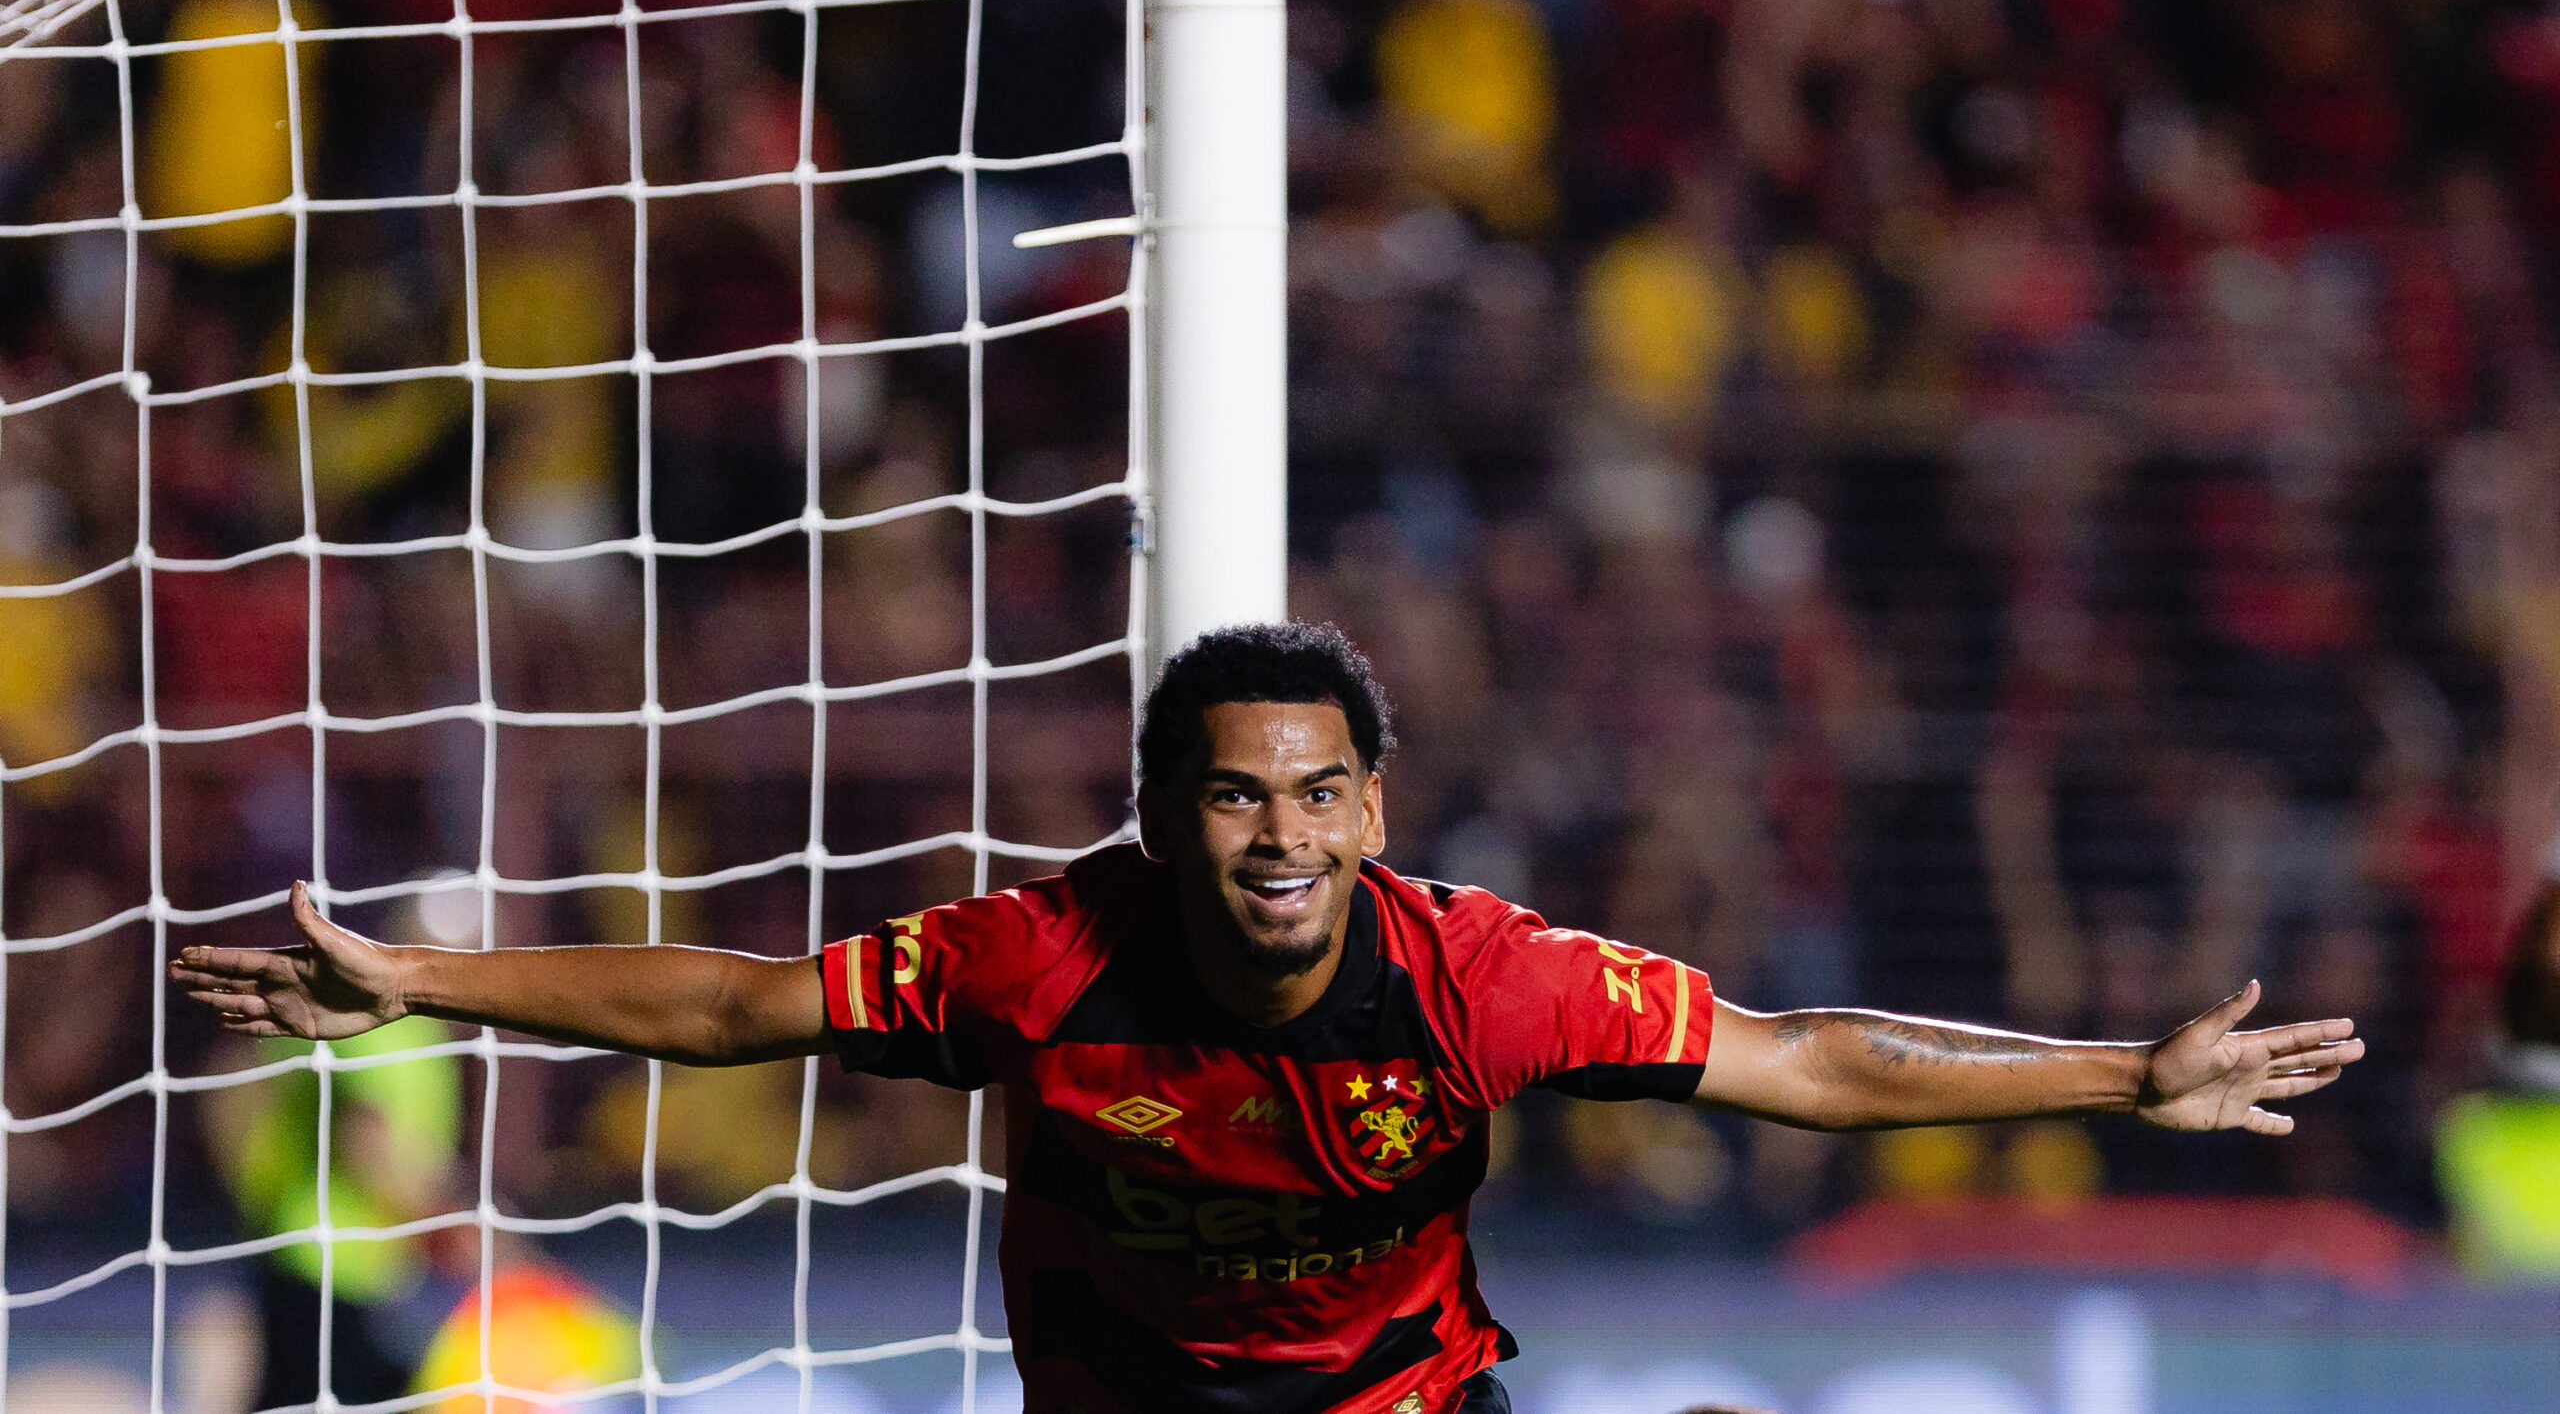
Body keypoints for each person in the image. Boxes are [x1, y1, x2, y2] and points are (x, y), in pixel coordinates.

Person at [173, 623, 2365, 1414]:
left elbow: (1799, 1052)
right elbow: (744, 1004)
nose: (1281, 833)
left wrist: (2123, 1075)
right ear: (1162, 813)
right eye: (1234, 793)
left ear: (1373, 808)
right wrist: (414, 977)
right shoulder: (1044, 959)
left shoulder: (1478, 973)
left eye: (1319, 791)